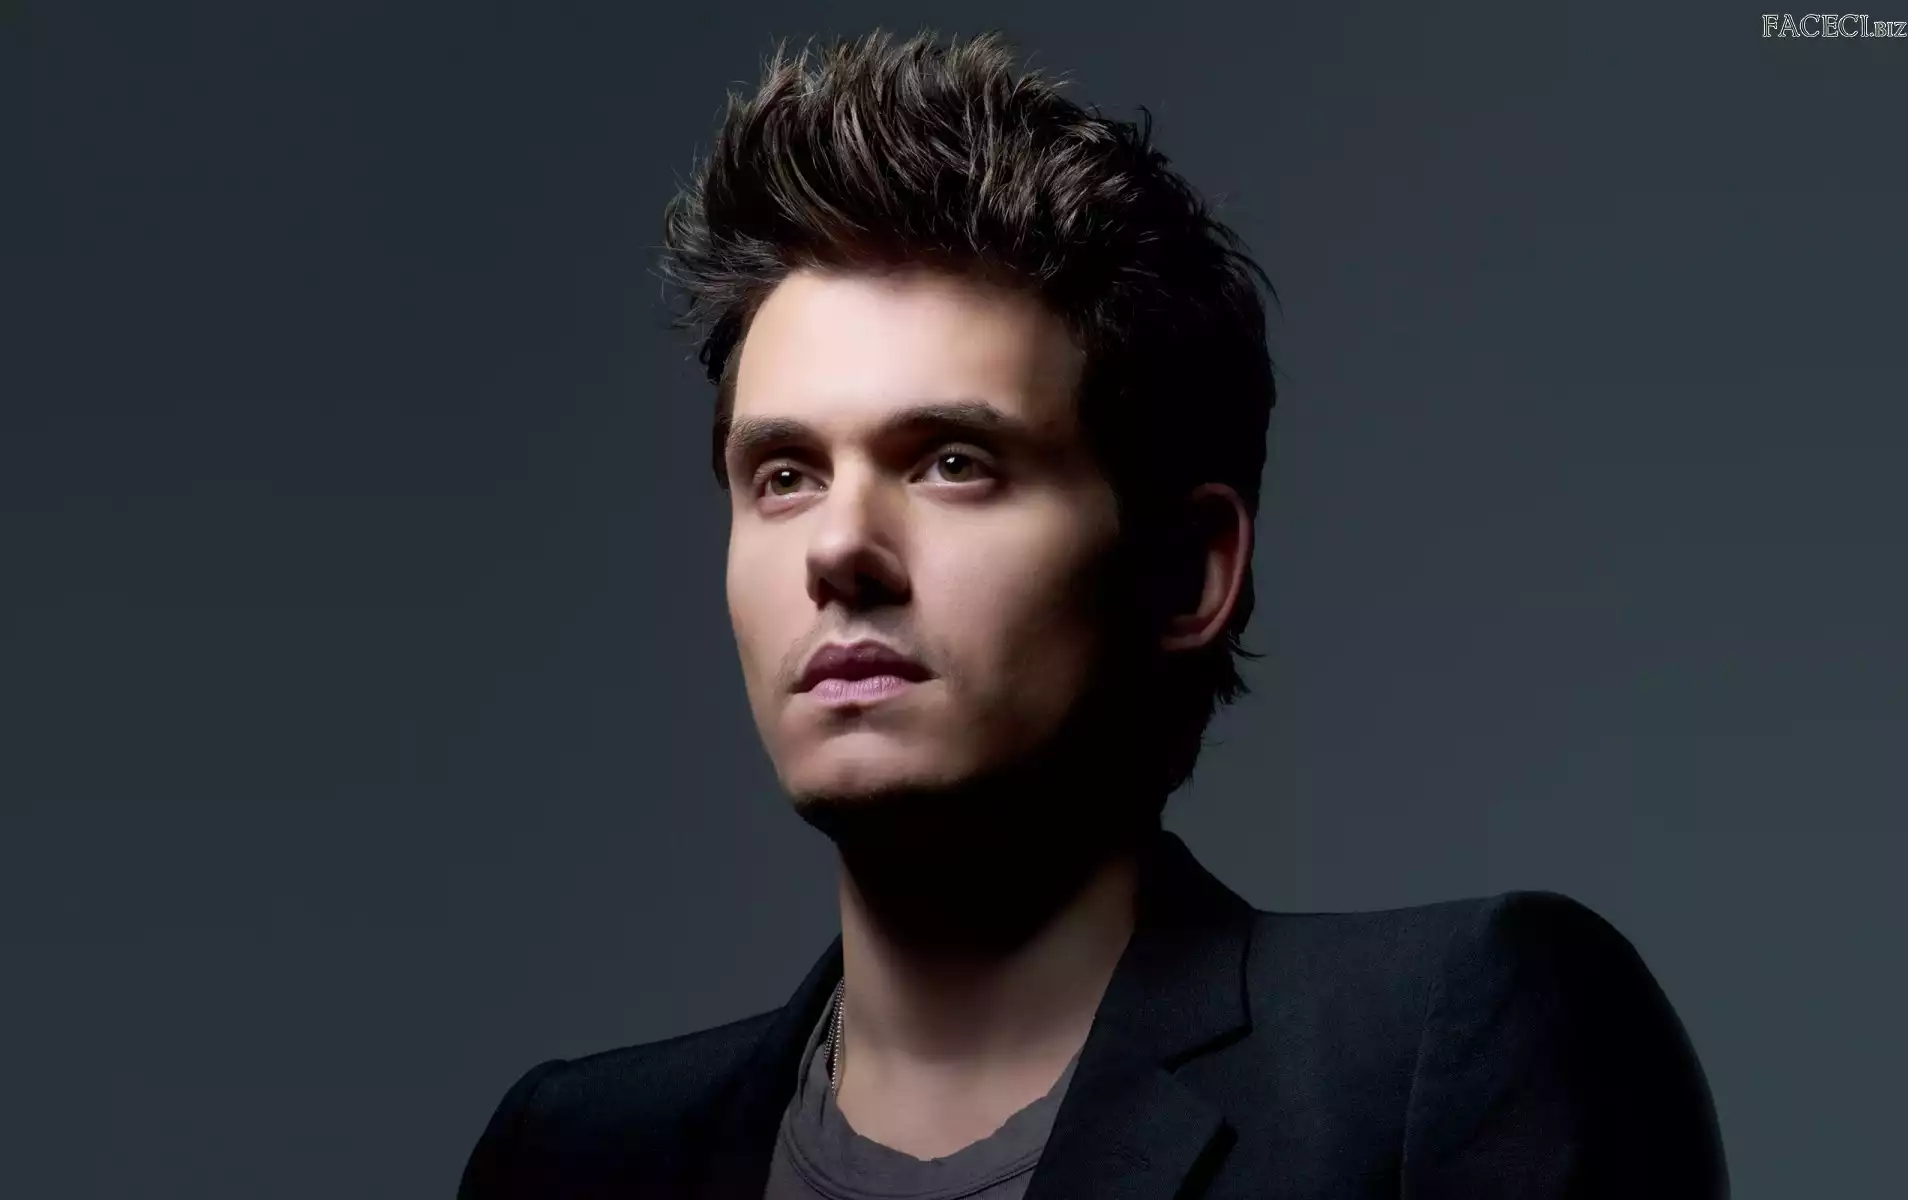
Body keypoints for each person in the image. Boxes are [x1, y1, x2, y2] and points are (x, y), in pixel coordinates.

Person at [456, 28, 1725, 1200]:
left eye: (953, 462)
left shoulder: (1437, 1048)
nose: (839, 550)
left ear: (1189, 571)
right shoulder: (570, 1157)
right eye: (784, 476)